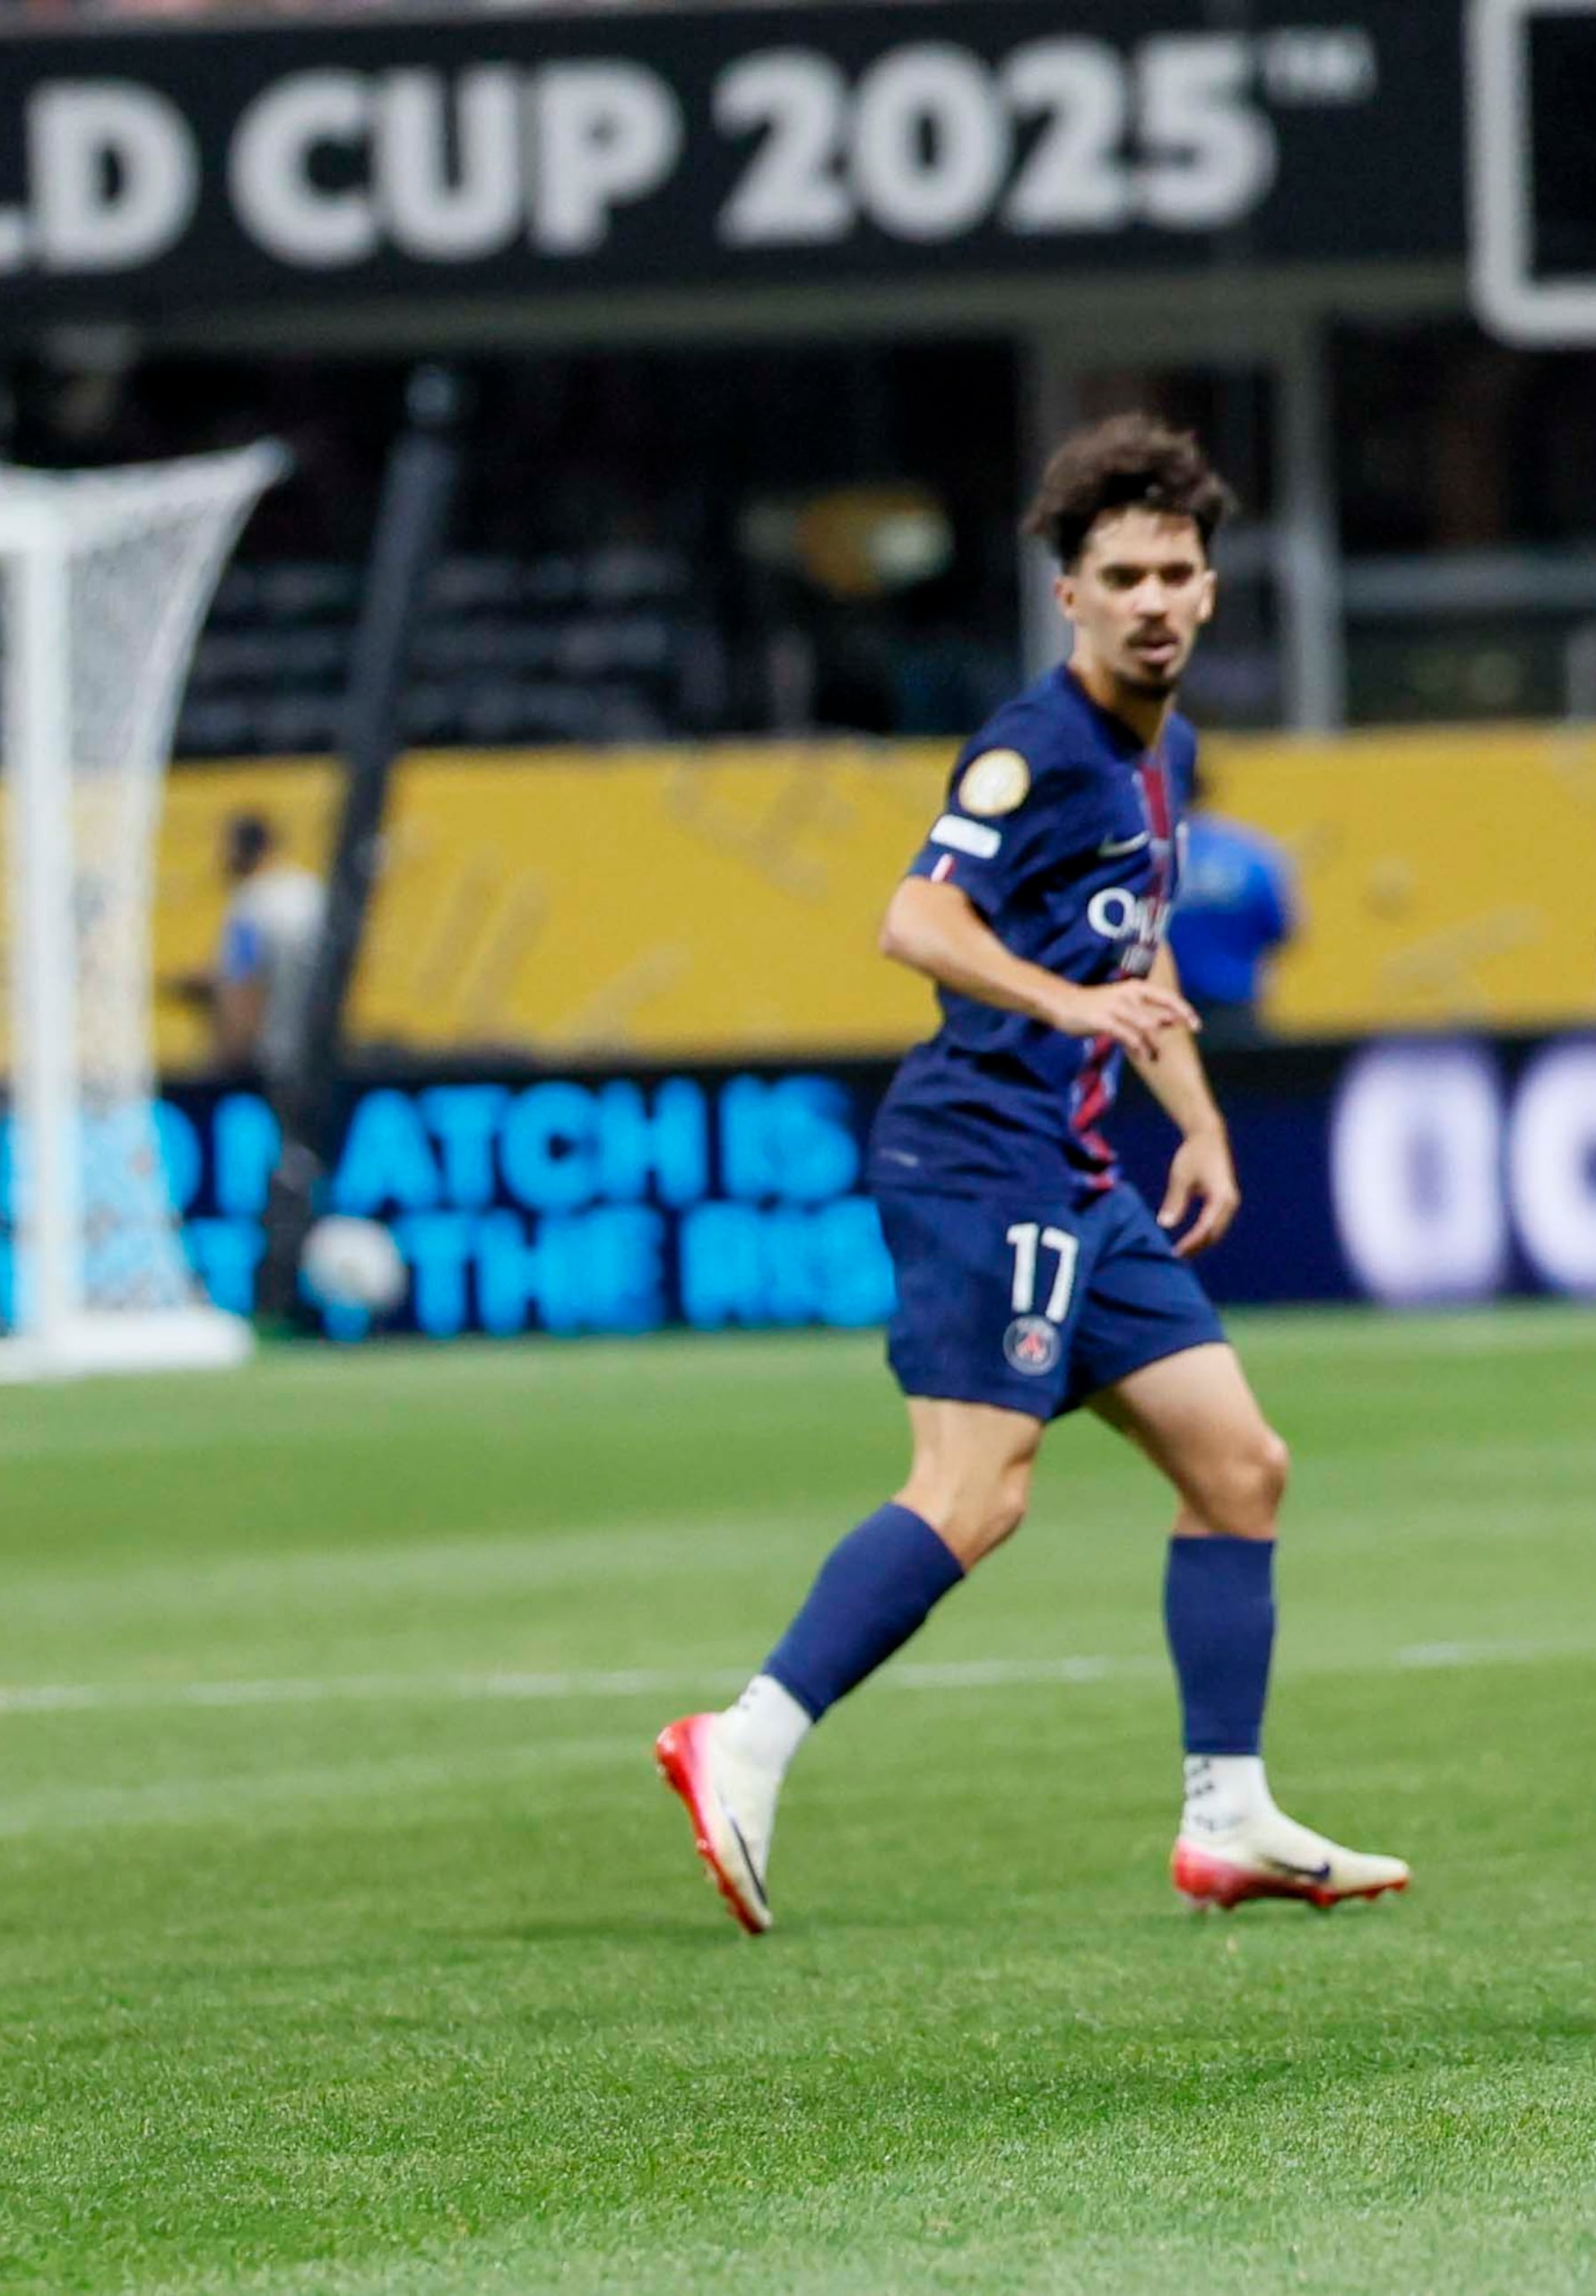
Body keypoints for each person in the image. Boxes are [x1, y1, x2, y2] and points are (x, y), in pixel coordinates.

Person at [654, 417, 1407, 1934]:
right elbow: (916, 921)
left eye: (1177, 572)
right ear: (1067, 593)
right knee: (974, 1495)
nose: (1152, 599)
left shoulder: (1166, 751)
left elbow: (1134, 952)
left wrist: (1187, 1107)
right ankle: (743, 1737)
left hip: (1076, 1174)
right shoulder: (1033, 747)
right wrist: (1067, 1012)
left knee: (1238, 1464)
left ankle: (1229, 1815)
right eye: (1119, 573)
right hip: (976, 1162)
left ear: (1209, 589)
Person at [202, 813, 325, 1086]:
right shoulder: (311, 891)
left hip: (272, 1068)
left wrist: (226, 1068)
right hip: (320, 1057)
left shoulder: (249, 908)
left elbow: (244, 988)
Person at [1167, 804, 1298, 1042]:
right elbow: (1281, 928)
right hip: (1235, 1005)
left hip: (1163, 1010)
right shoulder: (1246, 850)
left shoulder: (1149, 854)